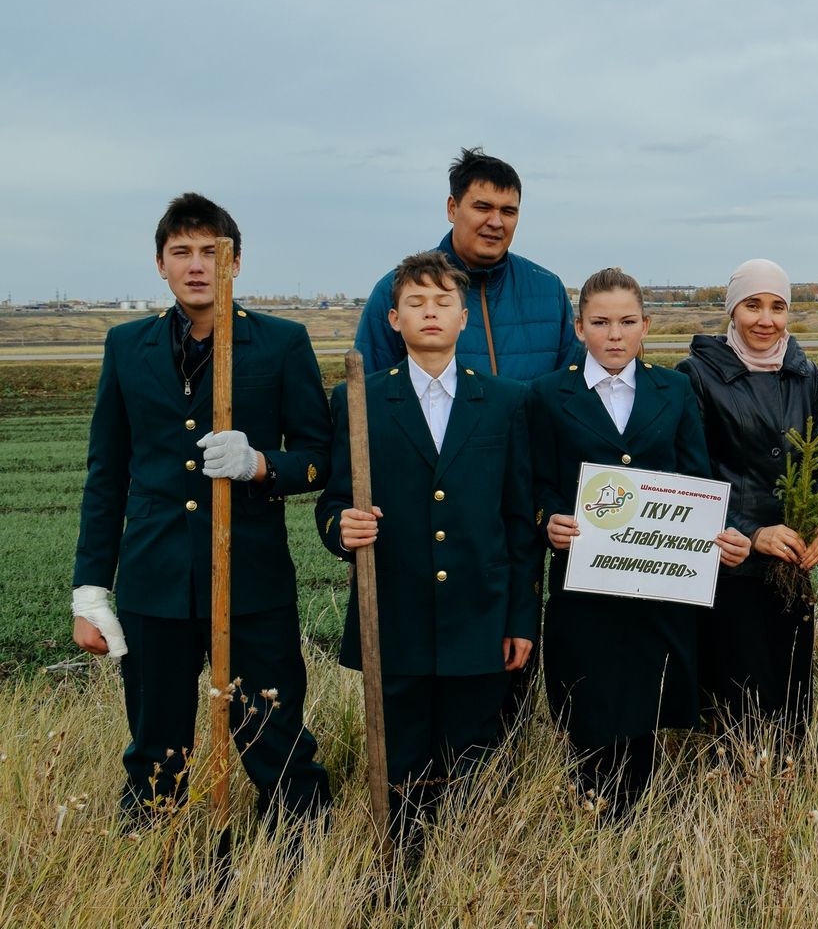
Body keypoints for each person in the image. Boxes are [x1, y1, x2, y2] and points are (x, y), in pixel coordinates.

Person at [71, 194, 331, 825]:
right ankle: (156, 862)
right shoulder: (126, 346)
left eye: (210, 252)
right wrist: (90, 590)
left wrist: (260, 464)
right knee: (156, 744)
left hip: (251, 579)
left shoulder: (280, 343)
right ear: (160, 264)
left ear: (234, 262)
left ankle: (301, 856)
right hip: (153, 581)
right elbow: (107, 475)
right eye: (181, 252)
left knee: (274, 733)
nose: (197, 265)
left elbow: (321, 455)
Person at [317, 250, 538, 835]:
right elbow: (334, 501)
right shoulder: (357, 400)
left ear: (464, 316)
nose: (430, 312)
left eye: (444, 302)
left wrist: (519, 618)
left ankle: (467, 881)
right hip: (394, 619)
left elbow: (519, 521)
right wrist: (340, 527)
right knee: (402, 769)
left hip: (480, 618)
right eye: (416, 302)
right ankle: (399, 878)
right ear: (394, 319)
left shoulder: (507, 401)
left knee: (475, 768)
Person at [530, 268, 750, 816]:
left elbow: (696, 478)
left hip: (658, 594)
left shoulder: (672, 389)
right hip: (585, 596)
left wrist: (717, 533)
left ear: (646, 326)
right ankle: (594, 829)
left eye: (627, 322)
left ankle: (636, 835)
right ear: (579, 328)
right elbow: (532, 484)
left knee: (646, 721)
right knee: (591, 716)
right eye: (600, 322)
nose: (614, 334)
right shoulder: (545, 396)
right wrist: (548, 520)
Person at [676, 259, 818, 742]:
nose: (766, 319)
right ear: (732, 310)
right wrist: (751, 531)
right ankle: (739, 789)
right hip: (730, 561)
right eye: (753, 305)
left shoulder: (805, 373)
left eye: (778, 306)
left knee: (792, 687)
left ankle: (785, 783)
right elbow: (692, 476)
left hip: (791, 561)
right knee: (740, 691)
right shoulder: (697, 375)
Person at [353, 147, 573, 381]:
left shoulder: (549, 291)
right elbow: (370, 394)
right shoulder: (397, 289)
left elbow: (571, 392)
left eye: (508, 211)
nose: (496, 222)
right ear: (452, 208)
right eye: (482, 207)